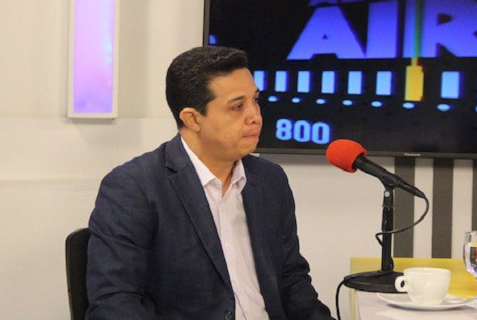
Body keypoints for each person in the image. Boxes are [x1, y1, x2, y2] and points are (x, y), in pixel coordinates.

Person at [85, 46, 335, 320]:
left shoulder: (270, 180)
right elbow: (114, 302)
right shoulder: (134, 187)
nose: (255, 116)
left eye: (255, 100)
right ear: (192, 119)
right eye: (237, 106)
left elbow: (291, 280)